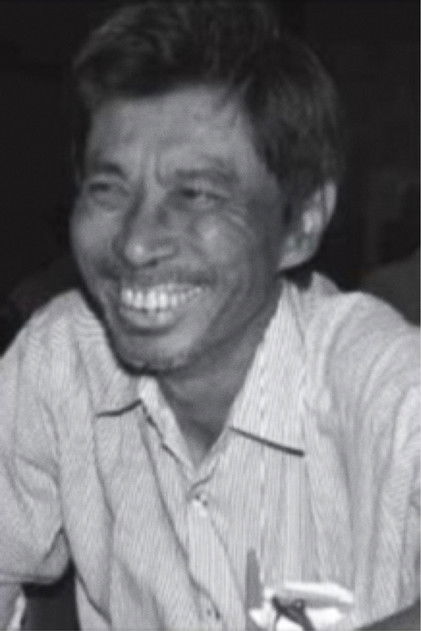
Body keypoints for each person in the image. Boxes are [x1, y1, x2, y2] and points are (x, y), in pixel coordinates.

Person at [0, 2, 419, 630]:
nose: (136, 243)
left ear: (301, 225)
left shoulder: (383, 384)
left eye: (195, 194)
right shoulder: (63, 360)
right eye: (108, 189)